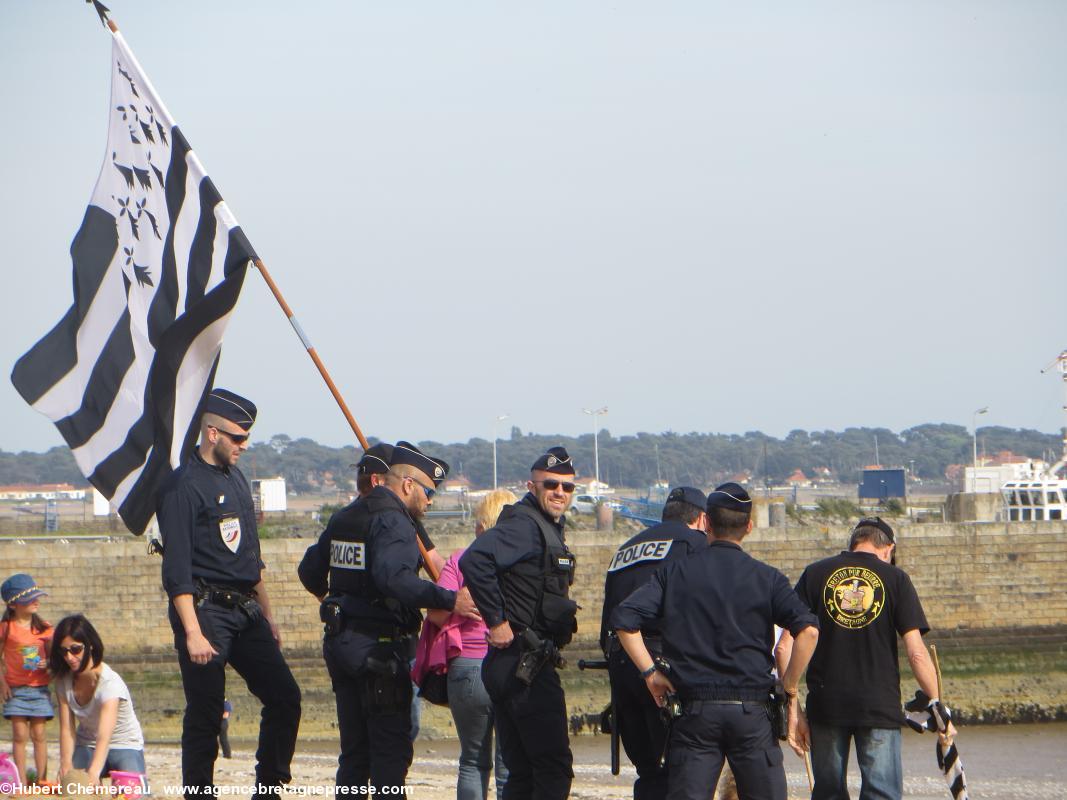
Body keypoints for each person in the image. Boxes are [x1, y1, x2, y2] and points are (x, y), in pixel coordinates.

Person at [611, 482, 820, 800]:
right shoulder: (767, 578)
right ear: (748, 527)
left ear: (706, 522)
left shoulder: (676, 573)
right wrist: (789, 687)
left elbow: (624, 620)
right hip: (752, 712)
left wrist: (650, 673)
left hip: (695, 713)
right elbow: (809, 632)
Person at [298, 441, 479, 792]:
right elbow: (394, 579)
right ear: (408, 485)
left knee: (353, 754)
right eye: (428, 492)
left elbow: (309, 571)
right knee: (390, 754)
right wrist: (449, 599)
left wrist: (338, 599)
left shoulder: (347, 515)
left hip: (341, 645)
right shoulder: (395, 523)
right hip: (379, 653)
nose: (429, 501)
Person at [157, 388, 302, 798]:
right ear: (211, 432)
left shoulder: (236, 478)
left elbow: (250, 558)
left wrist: (269, 615)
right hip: (204, 610)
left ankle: (270, 785)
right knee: (206, 711)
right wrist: (191, 631)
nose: (243, 446)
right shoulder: (182, 484)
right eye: (237, 438)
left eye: (246, 438)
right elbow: (177, 569)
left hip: (245, 609)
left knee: (285, 696)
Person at [774, 516, 953, 800]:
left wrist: (793, 708)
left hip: (826, 705)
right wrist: (938, 709)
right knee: (882, 793)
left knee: (828, 793)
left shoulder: (815, 574)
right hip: (879, 705)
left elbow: (784, 647)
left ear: (854, 543)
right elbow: (917, 653)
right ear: (888, 549)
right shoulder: (896, 579)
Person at [460, 446, 580, 800]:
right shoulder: (525, 526)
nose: (559, 492)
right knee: (553, 768)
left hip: (518, 664)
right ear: (532, 486)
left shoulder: (545, 527)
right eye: (551, 484)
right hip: (522, 665)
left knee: (524, 772)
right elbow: (475, 560)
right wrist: (496, 622)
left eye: (567, 487)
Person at [598, 487, 709, 800]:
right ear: (702, 518)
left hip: (623, 664)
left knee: (648, 770)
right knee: (682, 770)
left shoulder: (625, 548)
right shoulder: (696, 543)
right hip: (667, 667)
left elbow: (611, 617)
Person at [424, 489, 516, 800]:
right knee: (509, 766)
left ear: (481, 525)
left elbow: (435, 612)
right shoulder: (519, 562)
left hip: (466, 666)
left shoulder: (460, 559)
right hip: (508, 665)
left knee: (472, 761)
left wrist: (457, 605)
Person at [50, 615, 146, 783]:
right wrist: (65, 763)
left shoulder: (110, 683)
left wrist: (93, 772)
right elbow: (67, 728)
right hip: (87, 742)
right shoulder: (63, 681)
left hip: (124, 743)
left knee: (133, 793)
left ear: (90, 646)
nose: (70, 657)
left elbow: (104, 734)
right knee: (72, 787)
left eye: (75, 649)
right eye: (63, 651)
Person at [0, 574, 53, 785]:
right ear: (14, 605)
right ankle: (20, 780)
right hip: (15, 689)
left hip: (39, 688)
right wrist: (2, 683)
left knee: (39, 734)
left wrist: (46, 664)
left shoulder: (45, 628)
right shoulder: (6, 628)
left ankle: (42, 779)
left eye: (37, 597)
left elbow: (54, 657)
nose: (36, 601)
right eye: (29, 598)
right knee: (19, 735)